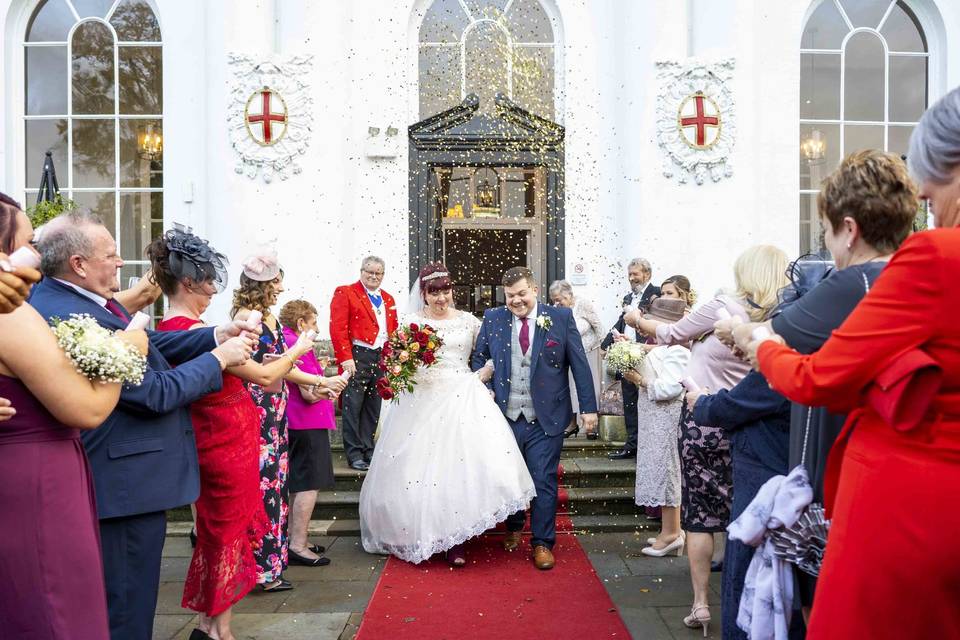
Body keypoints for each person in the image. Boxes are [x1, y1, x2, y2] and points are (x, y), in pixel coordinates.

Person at [737, 87, 960, 639]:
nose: (928, 199)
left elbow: (815, 378)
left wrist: (757, 341)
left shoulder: (935, 258)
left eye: (934, 190)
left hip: (909, 505)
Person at [29, 211, 257, 640]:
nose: (120, 264)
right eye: (111, 255)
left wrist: (215, 336)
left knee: (130, 599)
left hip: (130, 481)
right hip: (124, 486)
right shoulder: (64, 313)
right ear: (78, 264)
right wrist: (218, 361)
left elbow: (148, 346)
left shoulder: (82, 301)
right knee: (126, 608)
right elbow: (152, 392)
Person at [716, 149, 918, 615]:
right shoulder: (905, 277)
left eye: (826, 232)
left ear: (850, 230)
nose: (827, 247)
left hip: (839, 469)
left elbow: (770, 336)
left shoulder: (858, 282)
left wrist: (737, 330)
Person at [626, 245, 789, 634]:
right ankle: (746, 599)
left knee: (699, 516)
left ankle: (700, 603)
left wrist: (637, 318)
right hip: (750, 425)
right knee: (742, 511)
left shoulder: (720, 306)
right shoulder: (780, 319)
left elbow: (670, 332)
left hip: (704, 420)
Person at [0, 196, 142, 640]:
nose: (36, 258)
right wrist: (127, 349)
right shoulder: (12, 317)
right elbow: (86, 408)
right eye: (27, 243)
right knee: (53, 606)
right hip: (36, 480)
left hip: (42, 470)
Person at [360, 263, 535, 567]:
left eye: (445, 291)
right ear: (424, 294)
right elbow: (394, 362)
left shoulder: (469, 321)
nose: (441, 298)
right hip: (421, 404)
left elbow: (496, 349)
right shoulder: (410, 323)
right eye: (434, 292)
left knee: (459, 470)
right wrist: (403, 370)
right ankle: (421, 532)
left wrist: (487, 372)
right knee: (419, 473)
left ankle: (458, 539)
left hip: (463, 397)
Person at [231, 250, 345, 593]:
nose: (281, 288)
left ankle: (271, 564)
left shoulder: (268, 317)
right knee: (260, 489)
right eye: (277, 281)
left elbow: (285, 365)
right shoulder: (246, 317)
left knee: (276, 489)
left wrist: (318, 381)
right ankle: (256, 570)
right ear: (263, 284)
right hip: (257, 409)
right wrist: (304, 363)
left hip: (276, 411)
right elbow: (267, 369)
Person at [471, 266, 598, 570]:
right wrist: (485, 387)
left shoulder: (561, 318)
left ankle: (542, 542)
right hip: (505, 415)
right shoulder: (493, 319)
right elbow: (479, 359)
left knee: (543, 480)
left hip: (547, 417)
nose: (517, 300)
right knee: (509, 477)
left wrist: (589, 408)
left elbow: (579, 365)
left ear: (535, 290)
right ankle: (513, 526)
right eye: (511, 295)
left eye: (522, 294)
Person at [687, 371, 791, 640]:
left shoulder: (779, 359)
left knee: (747, 576)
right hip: (764, 474)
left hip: (762, 482)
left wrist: (701, 402)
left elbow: (732, 406)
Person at [280, 299, 341, 568]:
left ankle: (292, 539)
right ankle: (298, 545)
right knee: (308, 486)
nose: (317, 328)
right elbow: (309, 394)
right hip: (307, 422)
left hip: (295, 423)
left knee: (297, 483)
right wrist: (334, 385)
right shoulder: (300, 346)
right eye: (314, 322)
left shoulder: (287, 339)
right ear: (301, 323)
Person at [626, 297, 689, 558]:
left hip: (667, 419)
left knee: (668, 472)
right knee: (660, 472)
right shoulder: (663, 348)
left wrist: (640, 380)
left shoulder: (679, 351)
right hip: (654, 420)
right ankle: (670, 529)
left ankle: (672, 534)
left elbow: (671, 388)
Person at [330, 256, 399, 471]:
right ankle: (354, 453)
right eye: (369, 272)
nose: (373, 276)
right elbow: (337, 327)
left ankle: (369, 450)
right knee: (353, 405)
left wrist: (394, 357)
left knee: (373, 405)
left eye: (378, 273)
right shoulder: (346, 292)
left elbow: (393, 329)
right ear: (361, 271)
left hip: (381, 356)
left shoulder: (388, 298)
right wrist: (345, 357)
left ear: (383, 275)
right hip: (357, 355)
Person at [599, 258, 660, 459]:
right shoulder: (628, 297)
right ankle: (632, 445)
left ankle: (648, 446)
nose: (632, 278)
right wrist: (606, 343)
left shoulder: (657, 294)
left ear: (647, 274)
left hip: (648, 353)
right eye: (630, 274)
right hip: (627, 353)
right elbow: (620, 321)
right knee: (630, 402)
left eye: (636, 274)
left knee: (648, 400)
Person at [548, 279, 604, 438]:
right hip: (567, 355)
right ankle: (572, 424)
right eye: (554, 300)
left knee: (590, 386)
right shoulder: (556, 309)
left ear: (569, 295)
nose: (557, 303)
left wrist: (604, 347)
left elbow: (598, 326)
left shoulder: (583, 304)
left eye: (559, 299)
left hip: (588, 352)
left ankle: (592, 426)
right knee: (570, 389)